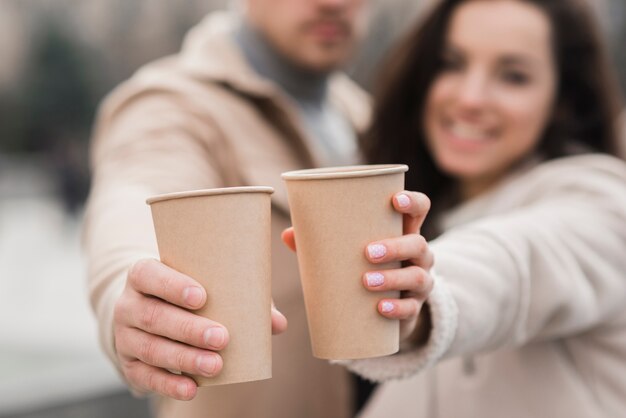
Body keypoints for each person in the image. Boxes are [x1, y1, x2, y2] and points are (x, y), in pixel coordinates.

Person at [285, 0, 626, 416]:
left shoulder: (602, 203)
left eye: (513, 76)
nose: (470, 97)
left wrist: (422, 292)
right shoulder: (421, 208)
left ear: (563, 100)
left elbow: (515, 263)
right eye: (451, 63)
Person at [83, 1, 373, 417]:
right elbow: (135, 193)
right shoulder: (174, 102)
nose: (333, 3)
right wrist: (127, 294)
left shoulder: (361, 113)